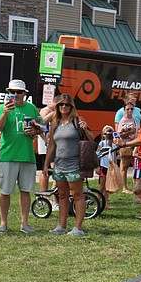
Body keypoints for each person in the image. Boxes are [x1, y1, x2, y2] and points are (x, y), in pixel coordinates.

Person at [0, 79, 42, 234]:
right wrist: (6, 113)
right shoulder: (2, 108)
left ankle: (25, 223)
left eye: (19, 92)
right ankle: (3, 223)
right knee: (5, 191)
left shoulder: (32, 108)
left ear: (24, 94)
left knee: (25, 191)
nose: (15, 95)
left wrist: (35, 131)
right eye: (12, 92)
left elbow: (41, 128)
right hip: (8, 155)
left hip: (27, 156)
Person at [43, 94, 93, 236]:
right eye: (61, 104)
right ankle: (62, 226)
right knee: (62, 195)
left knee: (77, 194)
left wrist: (85, 129)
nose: (64, 107)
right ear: (57, 106)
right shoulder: (56, 122)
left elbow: (90, 139)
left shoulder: (77, 121)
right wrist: (46, 165)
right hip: (59, 164)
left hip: (75, 164)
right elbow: (52, 145)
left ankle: (78, 227)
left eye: (67, 105)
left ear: (71, 107)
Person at [116, 101, 140, 194]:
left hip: (134, 144)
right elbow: (119, 134)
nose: (130, 110)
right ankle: (124, 187)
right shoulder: (122, 121)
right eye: (128, 109)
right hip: (125, 145)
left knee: (136, 166)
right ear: (124, 110)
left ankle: (136, 186)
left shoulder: (135, 120)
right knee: (124, 166)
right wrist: (130, 132)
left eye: (131, 109)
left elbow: (137, 132)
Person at [97, 126, 118, 210]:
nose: (107, 135)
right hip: (103, 166)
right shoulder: (101, 143)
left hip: (110, 167)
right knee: (102, 186)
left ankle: (105, 203)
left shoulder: (114, 145)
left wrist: (116, 167)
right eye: (105, 134)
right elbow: (97, 154)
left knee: (108, 186)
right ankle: (98, 202)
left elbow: (115, 157)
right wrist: (97, 166)